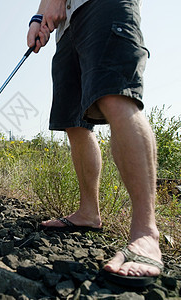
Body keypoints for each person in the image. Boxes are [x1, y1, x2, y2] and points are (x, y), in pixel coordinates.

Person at [27, 0, 163, 282]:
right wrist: (37, 18)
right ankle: (88, 213)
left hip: (103, 5)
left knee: (116, 96)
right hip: (66, 29)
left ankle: (145, 232)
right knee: (74, 122)